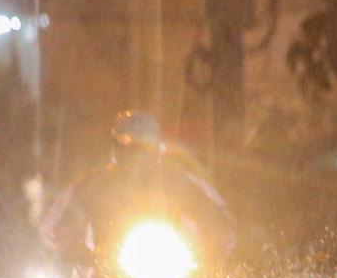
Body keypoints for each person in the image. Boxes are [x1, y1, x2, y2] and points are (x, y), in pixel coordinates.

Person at [43, 111, 236, 263]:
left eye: (143, 148)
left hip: (169, 277)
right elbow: (53, 227)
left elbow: (219, 221)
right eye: (129, 148)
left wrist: (214, 242)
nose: (136, 156)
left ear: (155, 148)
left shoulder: (177, 182)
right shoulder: (94, 184)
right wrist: (70, 242)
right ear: (117, 148)